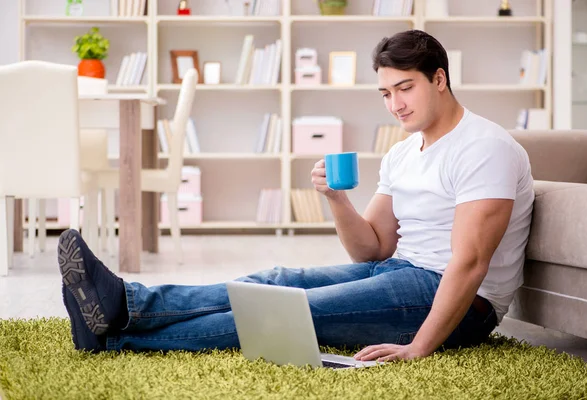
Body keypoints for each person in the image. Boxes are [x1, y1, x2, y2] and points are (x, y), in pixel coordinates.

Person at [58, 29, 534, 362]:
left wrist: (420, 346)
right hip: (400, 271)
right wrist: (335, 199)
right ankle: (129, 305)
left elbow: (470, 263)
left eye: (405, 88)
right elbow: (371, 248)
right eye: (385, 93)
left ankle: (116, 337)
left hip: (459, 303)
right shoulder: (405, 151)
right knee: (277, 279)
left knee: (294, 311)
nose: (396, 104)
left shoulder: (484, 147)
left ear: (439, 79)